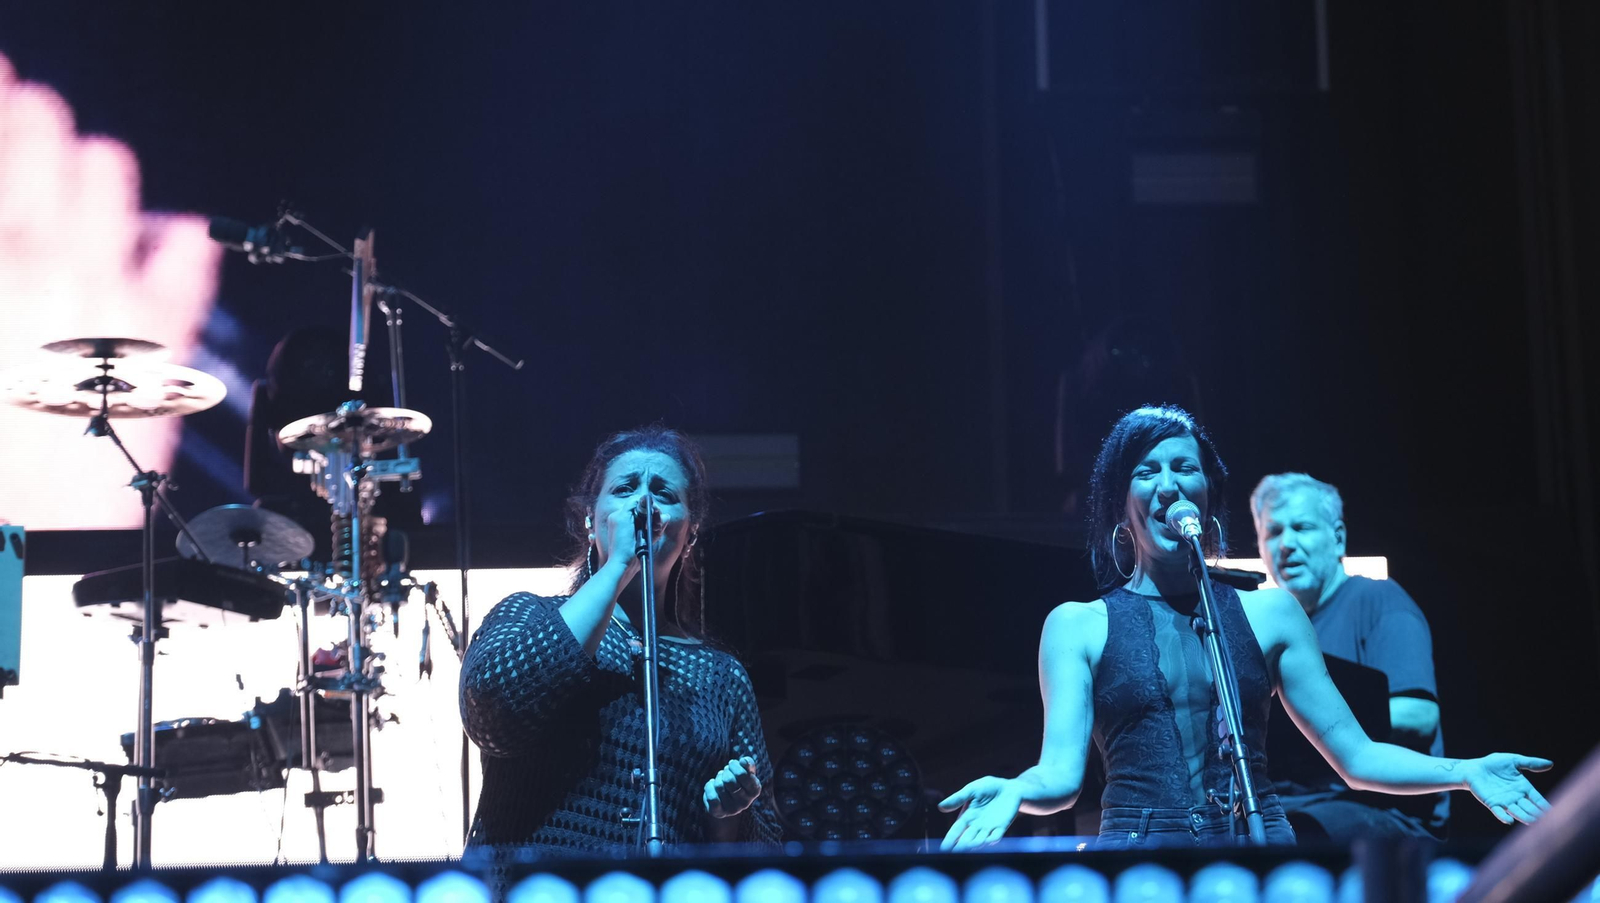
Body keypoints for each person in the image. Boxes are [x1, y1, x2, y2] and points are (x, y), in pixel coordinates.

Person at [939, 405, 1551, 850]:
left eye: (1185, 467)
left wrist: (1465, 772)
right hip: (1139, 857)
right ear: (1122, 504)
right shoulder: (1077, 626)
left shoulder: (1271, 612)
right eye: (1147, 472)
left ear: (1207, 494)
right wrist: (1015, 789)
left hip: (1257, 845)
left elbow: (1356, 756)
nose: (1168, 485)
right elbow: (1060, 779)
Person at [459, 426, 783, 855]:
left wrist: (727, 817)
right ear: (590, 521)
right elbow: (492, 715)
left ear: (691, 533)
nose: (644, 503)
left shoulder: (721, 676)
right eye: (625, 489)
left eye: (664, 493)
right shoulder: (529, 614)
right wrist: (620, 567)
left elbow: (768, 849)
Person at [1252, 472, 1448, 841]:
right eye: (1273, 532)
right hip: (1296, 806)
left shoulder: (1378, 600)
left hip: (1382, 811)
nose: (1287, 544)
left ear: (1338, 537)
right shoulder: (1274, 626)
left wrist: (1311, 728)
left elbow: (1419, 716)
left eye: (1302, 527)